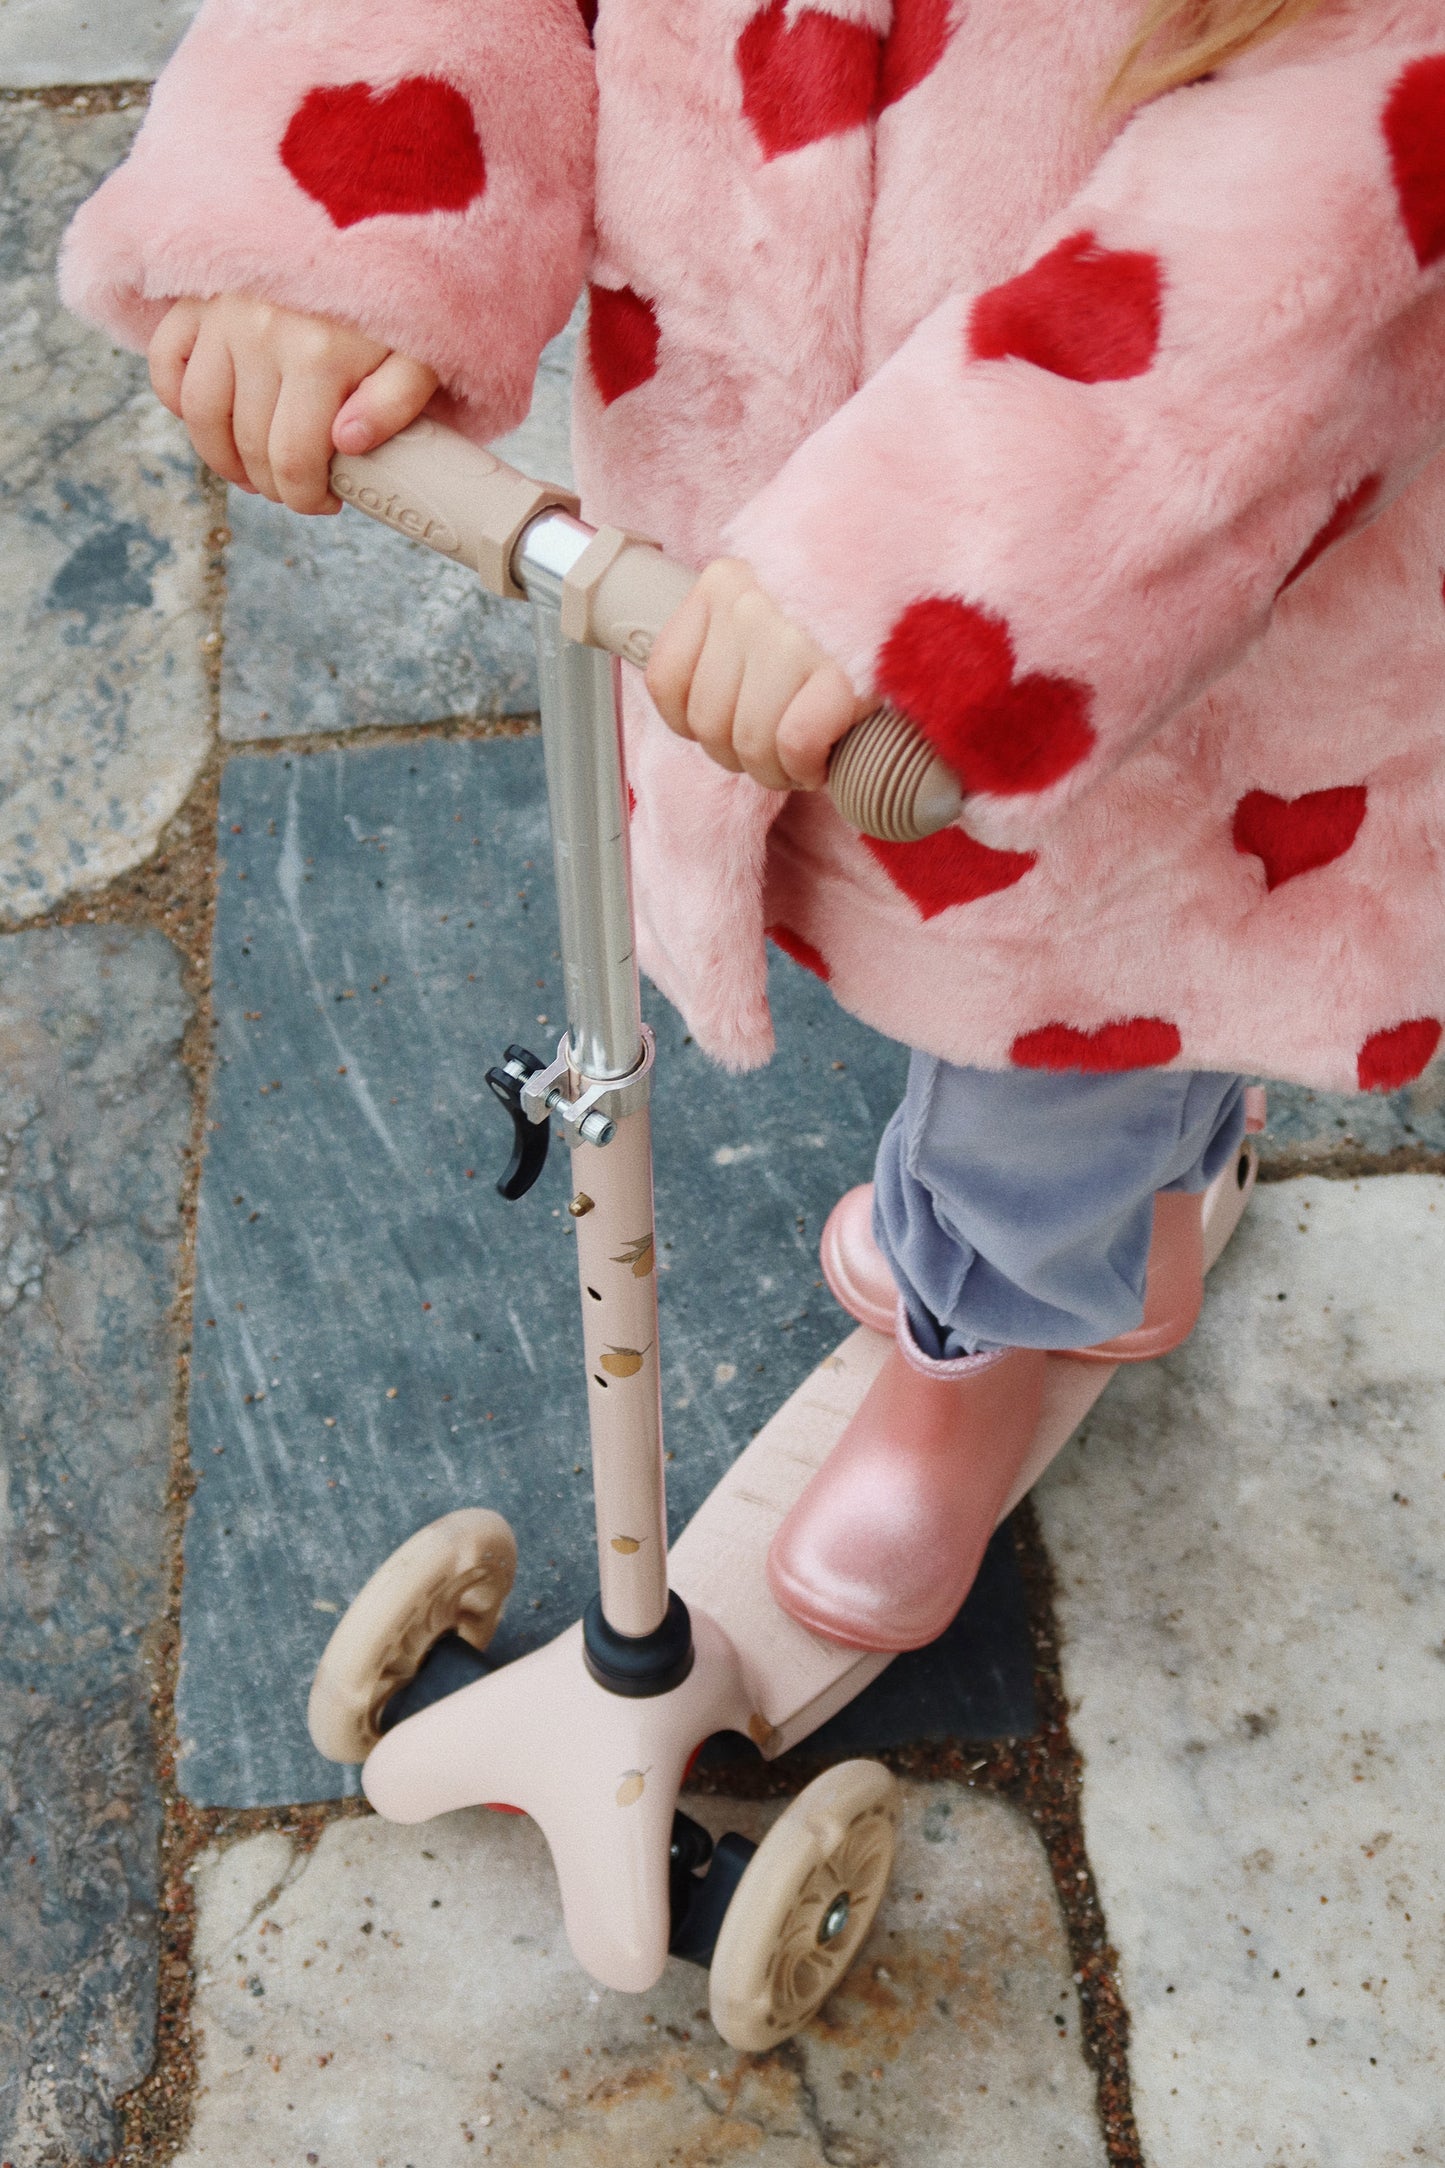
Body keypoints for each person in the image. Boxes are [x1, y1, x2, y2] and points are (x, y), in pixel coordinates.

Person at [61, 0, 1445, 1652]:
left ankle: (991, 1327)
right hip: (734, 534)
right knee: (925, 946)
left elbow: (1322, 217)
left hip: (1145, 611)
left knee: (1061, 1049)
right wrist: (329, 221)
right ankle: (1116, 1187)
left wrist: (945, 561)